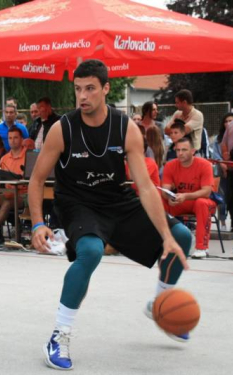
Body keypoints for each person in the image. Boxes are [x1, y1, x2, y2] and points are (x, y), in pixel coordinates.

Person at [28, 59, 191, 371]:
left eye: (90, 88)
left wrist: (167, 237)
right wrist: (37, 223)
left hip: (117, 200)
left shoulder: (126, 128)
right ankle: (59, 336)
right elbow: (36, 180)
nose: (82, 96)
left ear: (105, 88)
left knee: (181, 237)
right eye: (78, 89)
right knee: (89, 251)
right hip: (77, 203)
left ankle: (160, 304)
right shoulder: (62, 130)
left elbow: (145, 187)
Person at [162, 137, 216, 259]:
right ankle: (160, 242)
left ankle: (202, 247)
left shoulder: (205, 165)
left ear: (193, 151)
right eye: (178, 150)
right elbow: (165, 188)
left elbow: (206, 192)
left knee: (201, 203)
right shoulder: (170, 165)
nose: (180, 153)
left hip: (203, 202)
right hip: (181, 201)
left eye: (184, 150)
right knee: (159, 201)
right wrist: (169, 197)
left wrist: (186, 196)